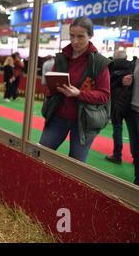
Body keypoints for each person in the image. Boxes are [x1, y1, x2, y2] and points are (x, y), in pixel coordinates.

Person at [39, 16, 111, 163]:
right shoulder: (61, 58)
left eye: (80, 36)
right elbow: (50, 87)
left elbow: (104, 95)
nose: (75, 41)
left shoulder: (99, 63)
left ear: (90, 36)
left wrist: (79, 93)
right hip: (58, 116)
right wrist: (52, 89)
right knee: (41, 154)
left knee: (76, 165)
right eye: (72, 36)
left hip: (84, 122)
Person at [106, 50, 132, 165]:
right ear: (126, 57)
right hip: (130, 103)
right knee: (134, 133)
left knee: (117, 129)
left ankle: (117, 156)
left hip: (116, 104)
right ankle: (136, 158)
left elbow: (108, 85)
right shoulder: (132, 67)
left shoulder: (110, 67)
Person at [122, 57, 139, 185]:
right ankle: (137, 181)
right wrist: (125, 81)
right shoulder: (136, 61)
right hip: (131, 110)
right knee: (135, 150)